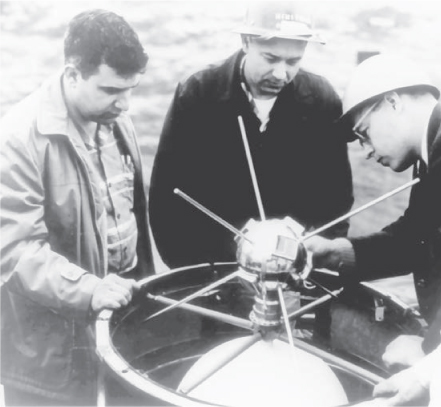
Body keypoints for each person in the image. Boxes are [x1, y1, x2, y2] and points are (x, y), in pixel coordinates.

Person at [0, 9, 154, 406]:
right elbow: (13, 253)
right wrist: (91, 290)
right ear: (72, 74)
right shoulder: (16, 139)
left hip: (119, 327)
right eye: (110, 90)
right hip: (51, 359)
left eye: (131, 89)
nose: (125, 104)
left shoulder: (116, 118)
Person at [149, 1, 354, 269]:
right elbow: (168, 198)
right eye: (270, 58)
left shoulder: (322, 100)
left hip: (294, 264)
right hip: (214, 265)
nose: (281, 74)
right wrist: (191, 275)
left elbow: (336, 197)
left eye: (293, 61)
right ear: (246, 41)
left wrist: (310, 258)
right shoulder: (197, 94)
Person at [304, 54, 441, 376]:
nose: (365, 151)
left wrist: (430, 351)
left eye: (364, 132)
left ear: (393, 102)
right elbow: (416, 239)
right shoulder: (430, 154)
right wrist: (335, 253)